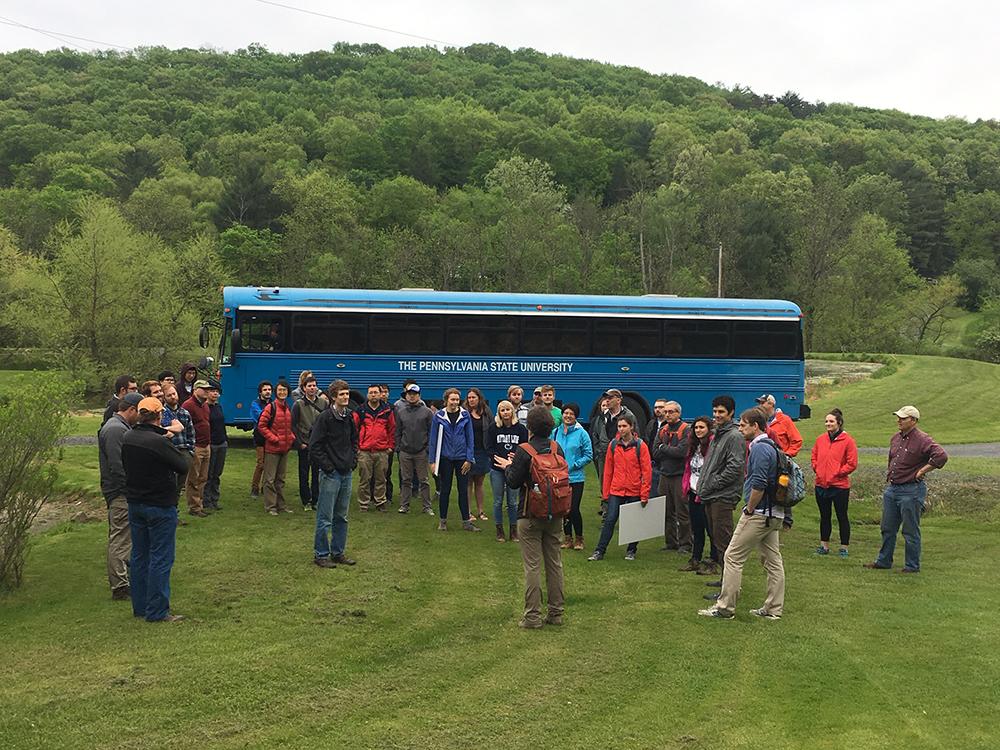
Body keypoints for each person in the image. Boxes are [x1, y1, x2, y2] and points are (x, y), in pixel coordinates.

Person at [699, 407, 785, 620]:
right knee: (773, 561)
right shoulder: (772, 446)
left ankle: (725, 607)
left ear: (755, 426)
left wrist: (749, 509)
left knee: (732, 556)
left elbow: (759, 484)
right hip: (775, 513)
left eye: (744, 425)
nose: (740, 428)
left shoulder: (759, 449)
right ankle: (773, 609)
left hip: (760, 513)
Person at [121, 396, 192, 622]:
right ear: (159, 416)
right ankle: (157, 611)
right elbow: (182, 465)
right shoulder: (158, 442)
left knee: (140, 555)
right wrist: (169, 439)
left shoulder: (128, 437)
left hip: (135, 502)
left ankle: (140, 606)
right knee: (161, 558)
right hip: (159, 505)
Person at [497, 406, 565, 628]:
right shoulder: (557, 448)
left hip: (530, 513)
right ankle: (556, 613)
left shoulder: (524, 450)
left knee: (532, 567)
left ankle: (532, 616)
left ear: (530, 427)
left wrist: (509, 465)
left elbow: (513, 482)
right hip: (555, 512)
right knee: (554, 564)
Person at [865, 405, 948, 574]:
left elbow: (941, 455)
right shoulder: (895, 438)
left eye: (903, 418)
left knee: (910, 530)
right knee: (887, 528)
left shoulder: (923, 439)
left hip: (911, 490)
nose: (899, 421)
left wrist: (923, 471)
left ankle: (912, 566)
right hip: (892, 489)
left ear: (914, 421)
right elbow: (892, 459)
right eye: (898, 417)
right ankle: (884, 561)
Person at [695, 395, 745, 601]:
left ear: (731, 413)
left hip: (722, 497)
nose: (717, 415)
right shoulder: (718, 434)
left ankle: (729, 590)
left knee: (725, 544)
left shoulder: (733, 436)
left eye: (721, 412)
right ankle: (725, 580)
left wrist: (712, 483)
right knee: (717, 540)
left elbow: (735, 467)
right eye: (715, 411)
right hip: (711, 495)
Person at [588, 412, 652, 561]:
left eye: (624, 426)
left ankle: (631, 550)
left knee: (633, 521)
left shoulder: (640, 446)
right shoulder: (613, 445)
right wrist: (605, 493)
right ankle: (599, 550)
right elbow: (608, 471)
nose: (621, 429)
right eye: (619, 426)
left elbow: (646, 471)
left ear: (631, 427)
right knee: (609, 520)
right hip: (616, 489)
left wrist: (644, 493)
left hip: (634, 488)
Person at [311, 380, 359, 569]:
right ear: (333, 397)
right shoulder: (324, 418)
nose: (346, 397)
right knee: (325, 517)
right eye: (342, 394)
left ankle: (338, 552)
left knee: (342, 516)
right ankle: (321, 554)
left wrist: (353, 460)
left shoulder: (349, 417)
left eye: (347, 394)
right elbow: (315, 446)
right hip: (331, 475)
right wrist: (328, 467)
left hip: (346, 472)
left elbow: (354, 440)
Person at [98, 392, 142, 600]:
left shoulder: (120, 427)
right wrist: (130, 487)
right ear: (131, 409)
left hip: (122, 491)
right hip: (119, 493)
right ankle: (120, 586)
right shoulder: (116, 429)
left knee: (125, 537)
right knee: (120, 538)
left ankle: (126, 581)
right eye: (139, 412)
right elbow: (117, 465)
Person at [428, 388, 479, 532]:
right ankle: (442, 521)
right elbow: (433, 440)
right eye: (452, 399)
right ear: (446, 400)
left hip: (462, 458)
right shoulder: (439, 416)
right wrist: (432, 461)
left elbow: (470, 438)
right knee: (445, 490)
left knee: (463, 490)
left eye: (457, 400)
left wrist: (469, 458)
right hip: (445, 458)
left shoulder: (465, 415)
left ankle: (466, 522)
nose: (455, 402)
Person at [811, 408, 858, 557]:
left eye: (831, 421)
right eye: (826, 421)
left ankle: (844, 547)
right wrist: (817, 469)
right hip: (821, 484)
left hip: (839, 486)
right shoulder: (820, 439)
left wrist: (837, 473)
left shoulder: (848, 441)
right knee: (824, 516)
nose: (828, 424)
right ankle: (824, 546)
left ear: (839, 423)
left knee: (841, 516)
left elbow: (852, 463)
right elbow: (814, 456)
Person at [551, 402, 592, 551]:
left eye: (571, 414)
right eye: (566, 413)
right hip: (560, 477)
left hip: (576, 478)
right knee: (564, 509)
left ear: (576, 416)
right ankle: (567, 538)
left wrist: (574, 464)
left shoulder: (582, 433)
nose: (568, 416)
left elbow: (589, 455)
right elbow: (550, 451)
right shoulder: (555, 432)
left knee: (574, 508)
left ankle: (579, 538)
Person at [680, 416, 718, 573]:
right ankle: (695, 558)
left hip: (707, 494)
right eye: (696, 428)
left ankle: (714, 561)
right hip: (693, 491)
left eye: (702, 427)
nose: (698, 430)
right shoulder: (693, 446)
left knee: (711, 529)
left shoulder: (713, 447)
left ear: (708, 429)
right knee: (696, 528)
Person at [487, 399, 529, 542]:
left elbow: (524, 448)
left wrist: (514, 460)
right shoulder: (493, 428)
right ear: (499, 413)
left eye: (508, 409)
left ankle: (513, 530)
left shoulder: (521, 429)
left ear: (512, 411)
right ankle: (499, 530)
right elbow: (489, 447)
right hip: (497, 469)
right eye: (502, 410)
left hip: (514, 470)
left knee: (512, 501)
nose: (505, 412)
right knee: (498, 501)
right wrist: (497, 460)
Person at [652, 400, 691, 553]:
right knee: (666, 511)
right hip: (664, 474)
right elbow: (654, 451)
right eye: (665, 412)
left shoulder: (686, 430)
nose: (667, 414)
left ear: (679, 413)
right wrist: (667, 450)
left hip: (679, 475)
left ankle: (686, 544)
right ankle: (671, 543)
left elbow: (682, 452)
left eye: (671, 412)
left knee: (682, 511)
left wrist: (663, 448)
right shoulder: (663, 430)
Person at [591, 389, 634, 516]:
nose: (607, 400)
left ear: (619, 400)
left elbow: (635, 437)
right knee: (604, 484)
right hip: (604, 455)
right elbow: (595, 435)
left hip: (622, 457)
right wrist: (599, 451)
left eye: (610, 398)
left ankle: (623, 513)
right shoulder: (602, 416)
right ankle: (606, 512)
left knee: (624, 484)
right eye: (606, 398)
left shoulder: (629, 416)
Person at [257, 381, 297, 515]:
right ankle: (270, 506)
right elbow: (261, 426)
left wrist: (291, 438)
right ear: (276, 392)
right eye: (279, 390)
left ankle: (281, 505)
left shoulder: (287, 407)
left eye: (284, 390)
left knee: (280, 480)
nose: (282, 393)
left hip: (284, 449)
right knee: (269, 479)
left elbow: (289, 426)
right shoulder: (270, 407)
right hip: (272, 449)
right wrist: (274, 439)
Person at [394, 383, 434, 514]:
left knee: (424, 480)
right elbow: (398, 431)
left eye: (414, 394)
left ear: (419, 396)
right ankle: (404, 506)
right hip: (405, 451)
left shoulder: (427, 412)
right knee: (406, 480)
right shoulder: (400, 411)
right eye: (409, 394)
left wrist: (427, 448)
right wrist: (398, 447)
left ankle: (427, 507)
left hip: (421, 452)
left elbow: (431, 432)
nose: (411, 397)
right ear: (406, 395)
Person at [354, 384, 395, 512]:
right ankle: (364, 504)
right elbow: (354, 430)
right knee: (364, 479)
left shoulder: (387, 411)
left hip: (382, 451)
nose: (373, 395)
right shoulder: (360, 411)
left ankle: (380, 502)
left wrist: (390, 447)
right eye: (371, 392)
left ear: (380, 394)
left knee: (381, 478)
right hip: (364, 451)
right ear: (367, 395)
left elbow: (392, 429)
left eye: (376, 392)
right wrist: (357, 447)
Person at [291, 374, 328, 510]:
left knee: (317, 474)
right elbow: (293, 425)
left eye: (314, 385)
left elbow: (326, 423)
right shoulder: (298, 404)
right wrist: (299, 443)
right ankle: (306, 500)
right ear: (304, 388)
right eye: (309, 386)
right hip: (304, 443)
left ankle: (316, 500)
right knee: (304, 473)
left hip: (318, 445)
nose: (312, 388)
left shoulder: (323, 403)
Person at [181, 379, 213, 518]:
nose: (207, 391)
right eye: (204, 389)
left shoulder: (205, 405)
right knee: (193, 478)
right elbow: (185, 426)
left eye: (208, 389)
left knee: (203, 477)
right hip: (196, 446)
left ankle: (199, 504)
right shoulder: (188, 405)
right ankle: (194, 507)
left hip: (206, 445)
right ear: (196, 390)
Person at [464, 387, 493, 521]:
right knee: (468, 482)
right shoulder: (463, 412)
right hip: (467, 451)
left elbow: (492, 428)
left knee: (479, 482)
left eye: (473, 397)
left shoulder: (486, 412)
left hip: (482, 451)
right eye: (469, 397)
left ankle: (481, 511)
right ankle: (468, 512)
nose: (471, 400)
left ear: (479, 398)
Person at [202, 381, 227, 512]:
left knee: (217, 473)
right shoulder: (205, 408)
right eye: (212, 391)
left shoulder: (219, 407)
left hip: (221, 443)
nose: (215, 393)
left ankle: (214, 498)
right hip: (210, 443)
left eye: (217, 391)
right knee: (208, 474)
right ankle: (206, 500)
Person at [249, 381, 273, 498]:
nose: (268, 392)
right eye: (265, 390)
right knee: (261, 464)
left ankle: (266, 487)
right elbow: (260, 417)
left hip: (271, 437)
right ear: (260, 392)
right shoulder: (255, 404)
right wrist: (271, 417)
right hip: (260, 438)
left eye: (269, 389)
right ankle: (254, 488)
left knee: (270, 465)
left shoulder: (273, 404)